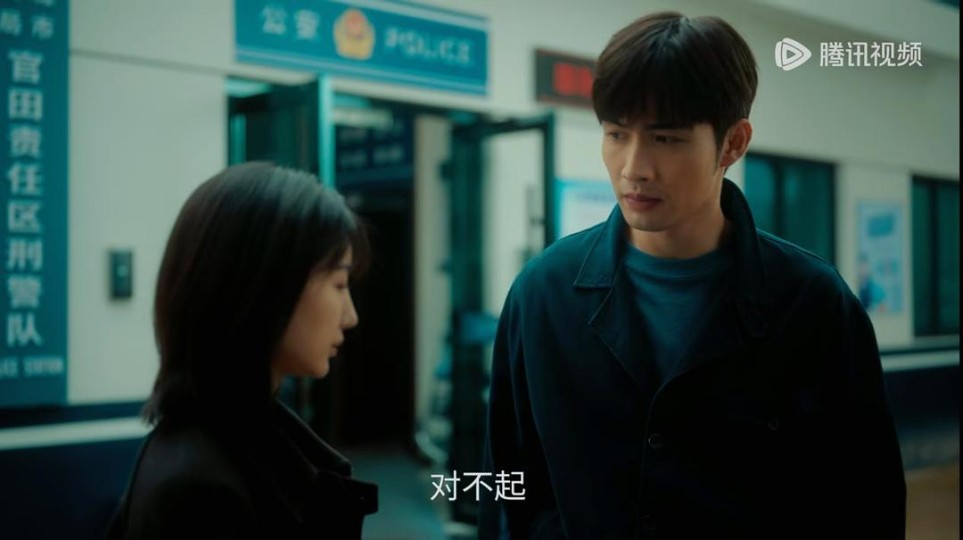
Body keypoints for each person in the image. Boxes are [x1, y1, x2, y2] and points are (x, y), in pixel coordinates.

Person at [479, 12, 906, 539]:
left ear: (733, 143)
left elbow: (866, 501)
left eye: (666, 138)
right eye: (616, 134)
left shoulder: (813, 305)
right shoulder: (542, 294)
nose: (634, 167)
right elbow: (506, 485)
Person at [107, 162, 377, 539]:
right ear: (266, 288)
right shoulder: (200, 492)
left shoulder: (225, 444)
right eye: (338, 284)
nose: (350, 316)